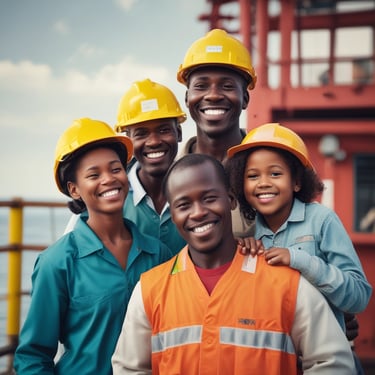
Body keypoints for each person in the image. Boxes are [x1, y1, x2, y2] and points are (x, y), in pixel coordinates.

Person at [111, 153, 355, 374]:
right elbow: (129, 369)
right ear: (172, 215)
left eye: (209, 198)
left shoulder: (286, 283)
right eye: (183, 205)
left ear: (230, 200)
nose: (197, 212)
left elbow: (333, 363)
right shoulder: (150, 290)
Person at [13, 118, 173, 374]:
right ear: (74, 189)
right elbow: (33, 356)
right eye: (94, 174)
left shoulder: (158, 254)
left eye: (115, 169)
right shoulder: (57, 262)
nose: (109, 179)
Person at [226, 122, 372, 373]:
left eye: (275, 174)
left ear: (296, 182)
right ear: (242, 185)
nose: (263, 183)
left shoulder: (322, 220)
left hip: (328, 362)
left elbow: (358, 297)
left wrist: (300, 260)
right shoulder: (250, 237)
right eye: (252, 176)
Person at [64, 79, 187, 255]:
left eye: (163, 130)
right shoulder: (107, 194)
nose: (153, 142)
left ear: (179, 133)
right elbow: (69, 253)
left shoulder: (196, 188)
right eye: (141, 133)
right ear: (128, 141)